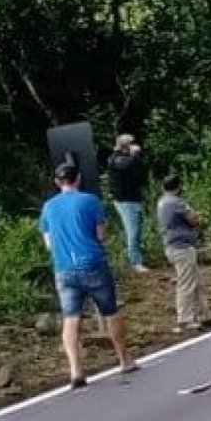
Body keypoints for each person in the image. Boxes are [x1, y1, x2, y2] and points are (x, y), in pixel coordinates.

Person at [39, 162, 138, 388]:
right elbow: (100, 235)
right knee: (110, 311)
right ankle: (124, 359)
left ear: (57, 182)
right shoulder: (90, 201)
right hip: (93, 263)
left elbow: (48, 244)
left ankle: (76, 370)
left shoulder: (48, 207)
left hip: (64, 268)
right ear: (78, 178)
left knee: (71, 318)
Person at [157, 174, 211, 332]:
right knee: (186, 284)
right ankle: (185, 319)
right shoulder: (177, 202)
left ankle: (204, 315)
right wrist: (198, 217)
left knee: (197, 282)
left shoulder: (162, 201)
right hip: (181, 247)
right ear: (178, 187)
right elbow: (192, 220)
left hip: (172, 246)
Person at [106, 134, 150, 272]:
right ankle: (135, 262)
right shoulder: (116, 159)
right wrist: (135, 154)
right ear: (126, 146)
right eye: (132, 143)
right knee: (133, 231)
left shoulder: (128, 157)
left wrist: (136, 156)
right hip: (125, 201)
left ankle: (138, 257)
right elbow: (126, 165)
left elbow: (141, 169)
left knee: (136, 230)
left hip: (133, 198)